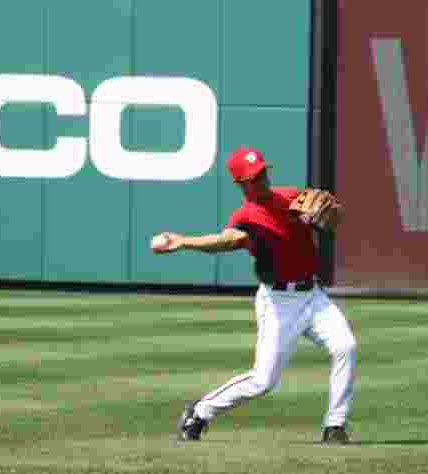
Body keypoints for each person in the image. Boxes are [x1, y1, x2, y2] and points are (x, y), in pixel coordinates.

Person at [152, 146, 357, 444]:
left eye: (262, 173)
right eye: (252, 177)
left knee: (345, 346)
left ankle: (335, 426)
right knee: (263, 381)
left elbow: (332, 217)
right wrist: (183, 241)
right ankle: (199, 412)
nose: (260, 180)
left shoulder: (292, 198)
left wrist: (332, 217)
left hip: (313, 296)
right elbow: (225, 240)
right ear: (240, 184)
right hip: (279, 303)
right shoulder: (247, 217)